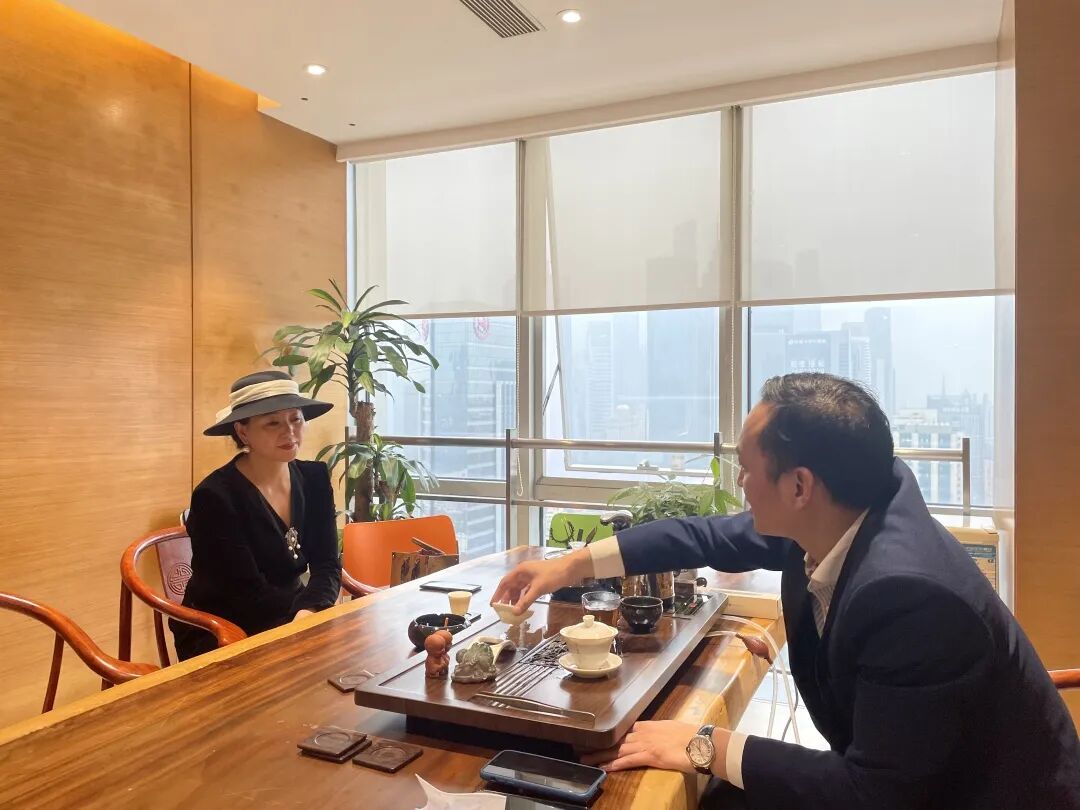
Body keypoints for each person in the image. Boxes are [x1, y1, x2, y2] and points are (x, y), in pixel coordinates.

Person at [493, 373, 1080, 808]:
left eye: (747, 468)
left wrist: (704, 744)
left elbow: (872, 794)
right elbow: (702, 536)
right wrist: (567, 566)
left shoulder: (910, 597)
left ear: (800, 486)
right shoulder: (843, 510)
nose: (739, 482)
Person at [171, 370, 342, 661]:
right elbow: (244, 593)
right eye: (272, 423)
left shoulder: (314, 477)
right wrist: (301, 621)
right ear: (242, 431)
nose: (289, 431)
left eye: (296, 419)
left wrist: (309, 611)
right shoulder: (215, 496)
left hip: (294, 617)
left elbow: (327, 564)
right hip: (224, 630)